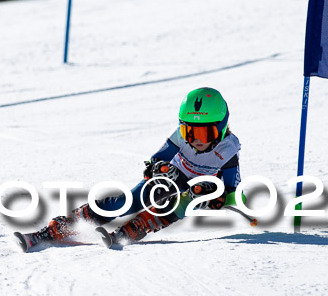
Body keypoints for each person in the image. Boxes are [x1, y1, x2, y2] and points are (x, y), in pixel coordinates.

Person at [15, 87, 243, 251]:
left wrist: (214, 199)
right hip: (170, 180)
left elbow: (233, 194)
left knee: (181, 202)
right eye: (189, 132)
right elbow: (154, 162)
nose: (196, 140)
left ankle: (137, 227)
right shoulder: (179, 138)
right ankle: (59, 228)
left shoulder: (229, 149)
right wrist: (163, 169)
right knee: (128, 201)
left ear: (221, 129)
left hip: (194, 191)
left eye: (205, 133)